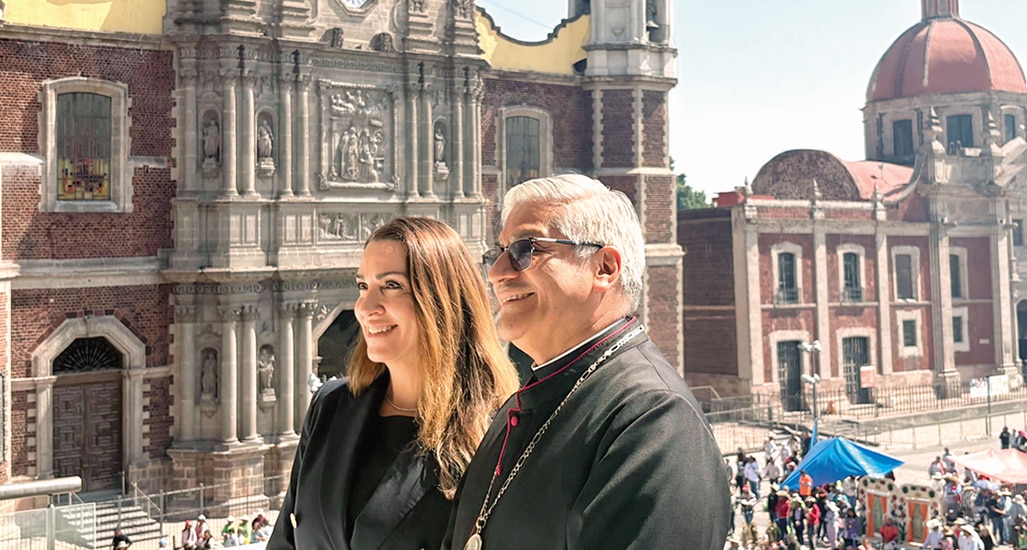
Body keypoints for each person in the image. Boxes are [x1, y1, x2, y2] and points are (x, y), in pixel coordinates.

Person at [443, 174, 730, 548]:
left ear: (605, 268)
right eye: (496, 254)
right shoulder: (522, 402)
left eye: (524, 249)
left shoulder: (655, 421)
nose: (497, 273)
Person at [268, 217, 519, 550]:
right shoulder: (329, 406)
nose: (365, 308)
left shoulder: (498, 433)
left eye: (391, 285)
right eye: (363, 286)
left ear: (442, 301)